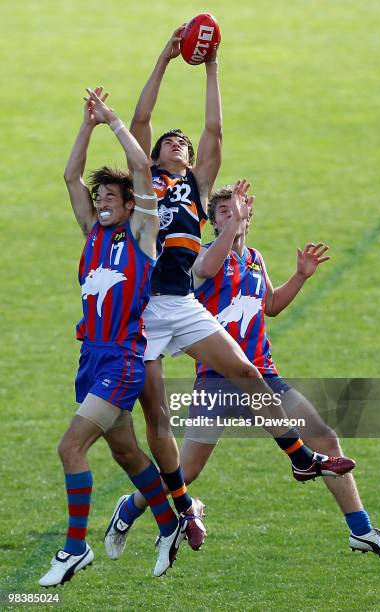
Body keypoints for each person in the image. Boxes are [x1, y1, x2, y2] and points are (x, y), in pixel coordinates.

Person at [111, 180, 380, 559]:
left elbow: (271, 305)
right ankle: (130, 506)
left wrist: (300, 276)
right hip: (217, 381)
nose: (232, 213)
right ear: (213, 222)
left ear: (250, 216)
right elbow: (207, 268)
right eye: (222, 211)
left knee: (326, 439)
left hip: (265, 377)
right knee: (187, 472)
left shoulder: (255, 258)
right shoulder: (199, 256)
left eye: (238, 208)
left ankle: (361, 531)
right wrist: (233, 224)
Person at [39, 88, 185, 587]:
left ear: (129, 207)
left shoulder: (142, 235)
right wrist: (86, 126)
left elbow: (142, 172)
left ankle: (73, 549)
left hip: (123, 361)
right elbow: (69, 177)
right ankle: (169, 524)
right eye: (97, 198)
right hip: (90, 360)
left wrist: (114, 121)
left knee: (70, 448)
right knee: (125, 452)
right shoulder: (92, 233)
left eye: (109, 199)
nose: (100, 203)